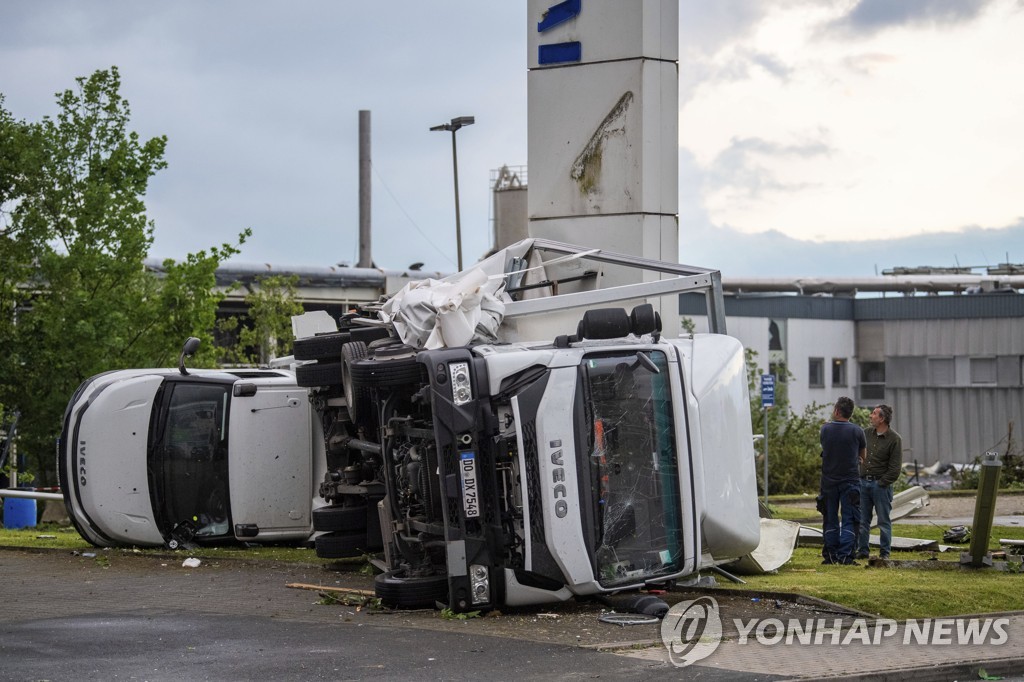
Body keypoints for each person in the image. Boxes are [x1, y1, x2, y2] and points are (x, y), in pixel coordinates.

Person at [819, 396, 866, 565]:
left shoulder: (825, 430)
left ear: (837, 411)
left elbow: (825, 448)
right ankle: (846, 556)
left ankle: (830, 555)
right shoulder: (857, 431)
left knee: (830, 517)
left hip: (828, 481)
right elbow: (863, 456)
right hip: (850, 480)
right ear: (850, 413)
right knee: (850, 518)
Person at [857, 404, 903, 560]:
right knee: (863, 520)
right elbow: (857, 454)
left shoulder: (894, 439)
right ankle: (863, 550)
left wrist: (881, 483)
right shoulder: (865, 434)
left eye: (874, 414)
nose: (871, 416)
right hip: (863, 483)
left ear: (882, 418)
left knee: (883, 520)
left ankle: (884, 553)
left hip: (880, 486)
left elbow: (895, 468)